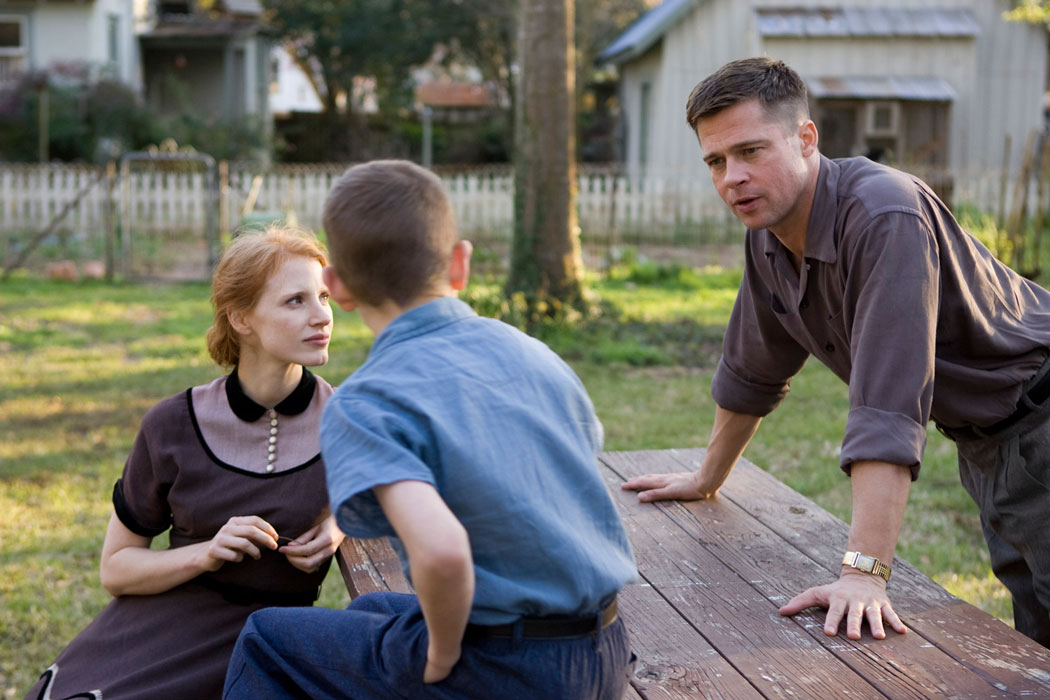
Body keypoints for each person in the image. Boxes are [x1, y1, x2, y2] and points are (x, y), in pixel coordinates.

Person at [623, 56, 1050, 648]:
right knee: (1036, 634)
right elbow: (752, 370)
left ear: (805, 139)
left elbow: (887, 405)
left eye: (751, 151)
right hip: (990, 439)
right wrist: (707, 475)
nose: (731, 178)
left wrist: (863, 574)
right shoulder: (770, 236)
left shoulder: (882, 215)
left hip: (1040, 419)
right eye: (716, 161)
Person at [222, 159, 638, 700]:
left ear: (337, 286)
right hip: (602, 647)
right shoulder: (535, 355)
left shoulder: (367, 401)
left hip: (505, 668)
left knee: (265, 638)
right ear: (460, 263)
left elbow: (442, 554)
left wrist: (440, 653)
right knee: (373, 608)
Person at [25, 227, 346, 700]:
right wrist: (207, 551)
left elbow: (404, 503)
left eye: (323, 295)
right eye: (295, 301)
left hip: (270, 641)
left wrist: (341, 522)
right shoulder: (172, 425)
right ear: (241, 318)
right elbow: (116, 569)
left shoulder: (350, 423)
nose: (322, 316)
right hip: (163, 627)